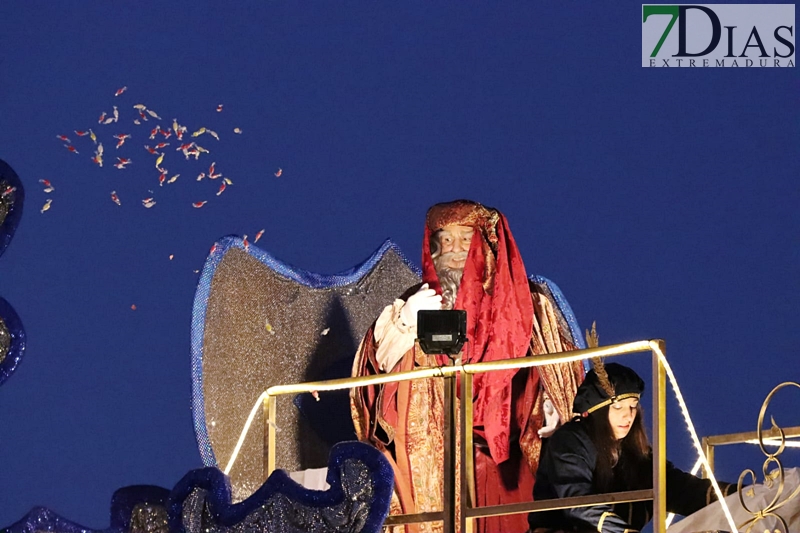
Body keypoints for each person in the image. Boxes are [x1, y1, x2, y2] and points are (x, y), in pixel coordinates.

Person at [350, 199, 585, 533]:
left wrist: (551, 409)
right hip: (433, 463)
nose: (453, 252)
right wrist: (404, 325)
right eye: (444, 241)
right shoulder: (415, 305)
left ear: (485, 246)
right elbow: (373, 375)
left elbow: (561, 379)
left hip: (507, 467)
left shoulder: (526, 306)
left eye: (464, 240)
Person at [528, 362, 738, 533]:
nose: (627, 416)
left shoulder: (636, 454)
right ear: (598, 411)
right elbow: (578, 501)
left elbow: (681, 489)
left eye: (632, 407)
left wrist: (745, 494)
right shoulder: (570, 441)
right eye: (618, 407)